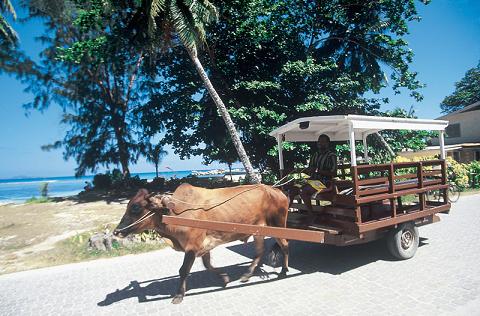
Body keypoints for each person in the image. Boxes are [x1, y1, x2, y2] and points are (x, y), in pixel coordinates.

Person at [297, 134, 337, 224]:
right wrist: (305, 170)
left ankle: (311, 214)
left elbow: (333, 173)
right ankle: (284, 212)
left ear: (327, 143)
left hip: (325, 181)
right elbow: (310, 169)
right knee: (294, 185)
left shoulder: (332, 155)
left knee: (303, 190)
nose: (320, 143)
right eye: (319, 141)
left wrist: (318, 171)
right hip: (312, 179)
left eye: (323, 141)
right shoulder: (314, 155)